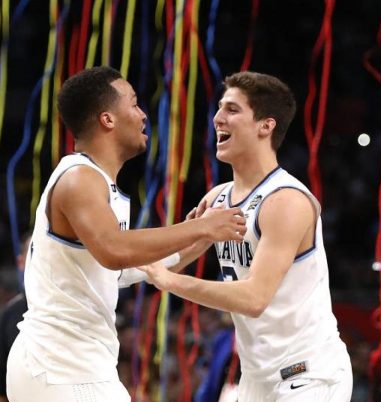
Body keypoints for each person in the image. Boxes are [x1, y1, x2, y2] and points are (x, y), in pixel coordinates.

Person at [5, 66, 247, 402]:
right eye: (133, 104)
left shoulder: (101, 186)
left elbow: (128, 268)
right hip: (60, 365)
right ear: (107, 119)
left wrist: (202, 239)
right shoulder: (80, 178)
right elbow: (113, 250)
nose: (143, 115)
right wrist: (200, 226)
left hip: (72, 365)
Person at [138, 71, 352, 401]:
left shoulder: (286, 201)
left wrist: (168, 282)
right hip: (257, 377)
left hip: (308, 374)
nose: (217, 118)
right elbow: (167, 258)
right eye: (221, 107)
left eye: (232, 110)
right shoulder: (218, 198)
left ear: (265, 126)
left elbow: (254, 299)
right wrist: (109, 260)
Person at [0, 235, 30, 402]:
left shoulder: (75, 309)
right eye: (35, 253)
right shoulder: (8, 315)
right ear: (21, 262)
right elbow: (0, 386)